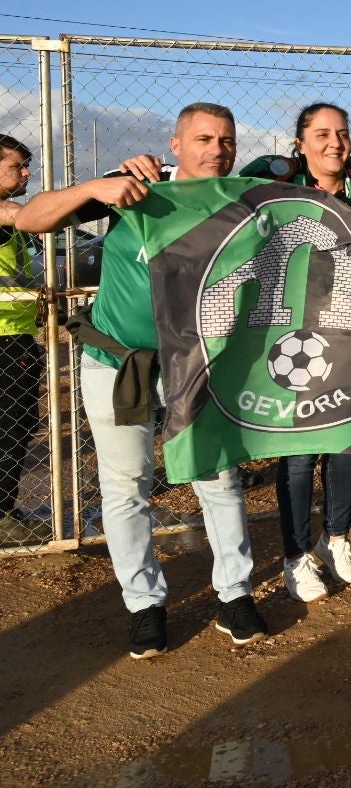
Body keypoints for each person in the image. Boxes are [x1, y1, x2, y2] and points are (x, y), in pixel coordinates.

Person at [15, 104, 268, 657]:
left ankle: (235, 593)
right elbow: (31, 219)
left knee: (217, 479)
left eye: (226, 140)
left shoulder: (243, 205)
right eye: (203, 138)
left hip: (199, 366)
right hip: (118, 363)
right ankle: (145, 605)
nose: (216, 149)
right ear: (175, 144)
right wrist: (94, 188)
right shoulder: (133, 190)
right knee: (127, 486)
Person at [242, 103, 351, 601]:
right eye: (321, 134)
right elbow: (240, 184)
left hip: (350, 335)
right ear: (299, 142)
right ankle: (295, 555)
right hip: (290, 338)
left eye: (342, 133)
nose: (334, 142)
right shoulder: (279, 184)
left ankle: (335, 537)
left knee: (343, 446)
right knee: (296, 455)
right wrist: (278, 165)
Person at [0, 135, 49, 545]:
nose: (26, 172)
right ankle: (2, 515)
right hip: (4, 340)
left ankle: (5, 509)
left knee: (18, 426)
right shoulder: (4, 212)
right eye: (17, 165)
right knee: (11, 428)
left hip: (16, 335)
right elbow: (19, 215)